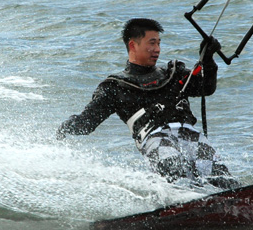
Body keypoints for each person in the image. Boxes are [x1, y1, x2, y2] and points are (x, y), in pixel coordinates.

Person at [57, 18, 239, 189]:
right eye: (152, 43)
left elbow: (206, 88)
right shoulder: (115, 86)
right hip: (156, 139)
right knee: (175, 169)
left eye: (159, 43)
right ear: (133, 45)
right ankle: (180, 206)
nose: (157, 49)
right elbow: (87, 122)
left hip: (190, 135)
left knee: (222, 178)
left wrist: (208, 60)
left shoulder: (173, 73)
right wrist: (64, 129)